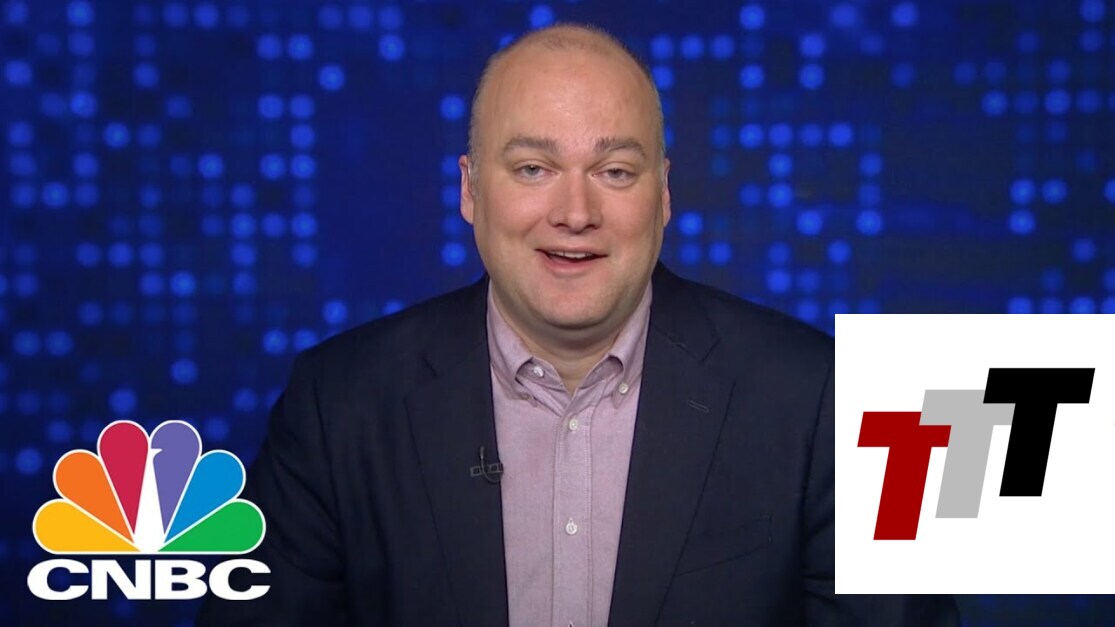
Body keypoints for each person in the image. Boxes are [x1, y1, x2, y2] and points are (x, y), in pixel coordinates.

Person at [199, 23, 958, 626]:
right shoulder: (338, 405)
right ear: (470, 190)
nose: (575, 211)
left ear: (663, 194)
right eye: (533, 168)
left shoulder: (829, 399)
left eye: (615, 172)